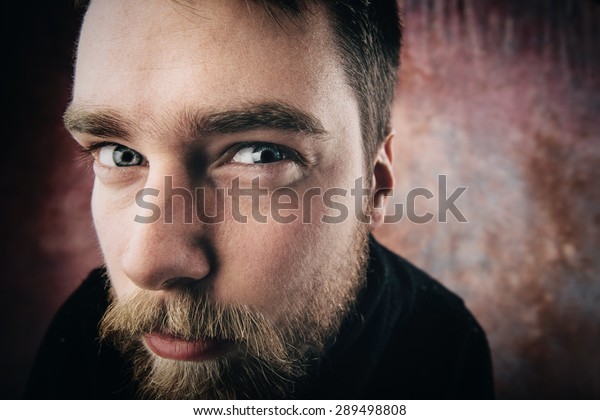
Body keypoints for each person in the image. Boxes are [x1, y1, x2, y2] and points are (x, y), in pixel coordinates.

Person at [26, 0, 494, 399]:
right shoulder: (85, 326)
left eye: (259, 154)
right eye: (121, 155)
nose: (146, 264)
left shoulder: (439, 343)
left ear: (374, 182)